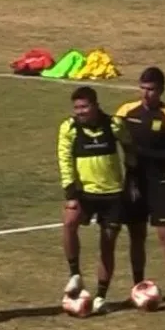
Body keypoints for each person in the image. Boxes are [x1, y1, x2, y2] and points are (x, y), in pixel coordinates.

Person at [115, 67, 165, 311]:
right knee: (136, 237)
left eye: (151, 89)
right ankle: (138, 288)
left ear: (161, 90)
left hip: (159, 184)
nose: (146, 94)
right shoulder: (126, 112)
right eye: (143, 88)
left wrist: (139, 152)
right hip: (134, 184)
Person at [57, 87, 133, 313]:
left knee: (107, 244)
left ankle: (100, 296)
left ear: (95, 105)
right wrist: (71, 193)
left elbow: (129, 147)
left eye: (84, 107)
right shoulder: (69, 127)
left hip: (113, 194)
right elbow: (64, 159)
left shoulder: (114, 125)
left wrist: (132, 179)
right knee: (69, 222)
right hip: (85, 193)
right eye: (77, 108)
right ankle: (75, 274)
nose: (80, 111)